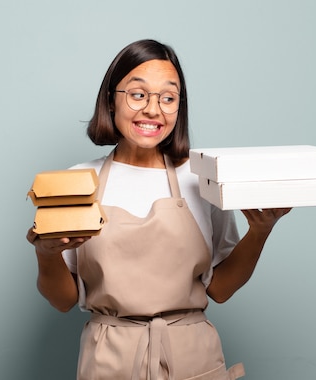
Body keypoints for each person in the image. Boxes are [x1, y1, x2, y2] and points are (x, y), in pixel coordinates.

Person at [26, 39, 291, 380]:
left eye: (168, 98)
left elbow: (220, 289)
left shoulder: (201, 178)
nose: (153, 110)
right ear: (111, 99)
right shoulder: (78, 181)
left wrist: (260, 231)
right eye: (138, 95)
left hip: (192, 354)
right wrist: (46, 254)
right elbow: (62, 300)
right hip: (109, 357)